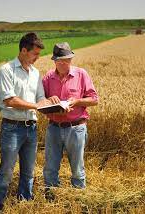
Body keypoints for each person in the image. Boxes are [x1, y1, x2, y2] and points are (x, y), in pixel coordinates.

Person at [0, 32, 51, 213]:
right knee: (6, 171)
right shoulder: (6, 70)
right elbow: (10, 100)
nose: (38, 58)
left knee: (28, 172)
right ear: (24, 50)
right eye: (35, 54)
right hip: (12, 128)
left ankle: (24, 203)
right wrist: (36, 106)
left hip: (31, 128)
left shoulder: (36, 73)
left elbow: (40, 97)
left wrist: (50, 102)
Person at [42, 42, 98, 199]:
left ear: (71, 59)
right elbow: (39, 100)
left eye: (66, 60)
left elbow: (94, 99)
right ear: (54, 61)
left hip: (76, 128)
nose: (63, 63)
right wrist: (48, 99)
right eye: (60, 60)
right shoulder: (48, 77)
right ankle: (51, 199)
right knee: (50, 168)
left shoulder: (81, 74)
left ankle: (78, 200)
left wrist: (77, 101)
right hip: (53, 128)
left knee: (77, 169)